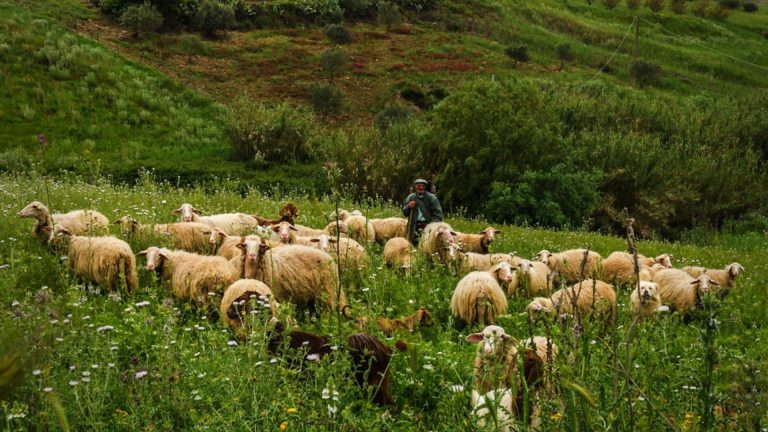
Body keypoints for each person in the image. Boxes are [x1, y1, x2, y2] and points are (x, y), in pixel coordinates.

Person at [402, 178, 443, 245]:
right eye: (419, 186)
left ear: (425, 187)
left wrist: (430, 225)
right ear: (415, 186)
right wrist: (408, 207)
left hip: (428, 226)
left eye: (422, 186)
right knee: (413, 244)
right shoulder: (411, 197)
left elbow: (438, 216)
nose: (421, 187)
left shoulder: (432, 198)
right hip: (414, 226)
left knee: (427, 244)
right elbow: (405, 212)